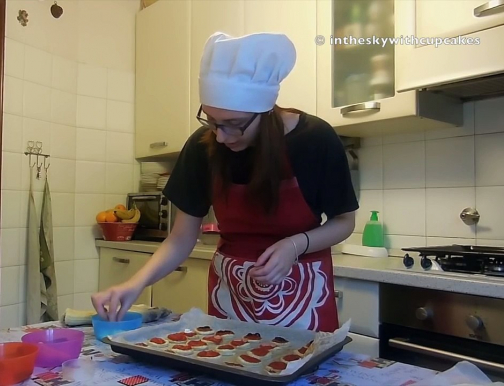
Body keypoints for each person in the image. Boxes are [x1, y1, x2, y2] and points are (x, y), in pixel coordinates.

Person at [91, 31, 358, 332]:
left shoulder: (315, 140)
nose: (220, 136)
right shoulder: (203, 146)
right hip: (231, 294)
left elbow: (344, 221)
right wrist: (134, 284)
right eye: (212, 121)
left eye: (233, 125)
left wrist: (295, 245)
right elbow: (181, 238)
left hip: (302, 291)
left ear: (265, 111)